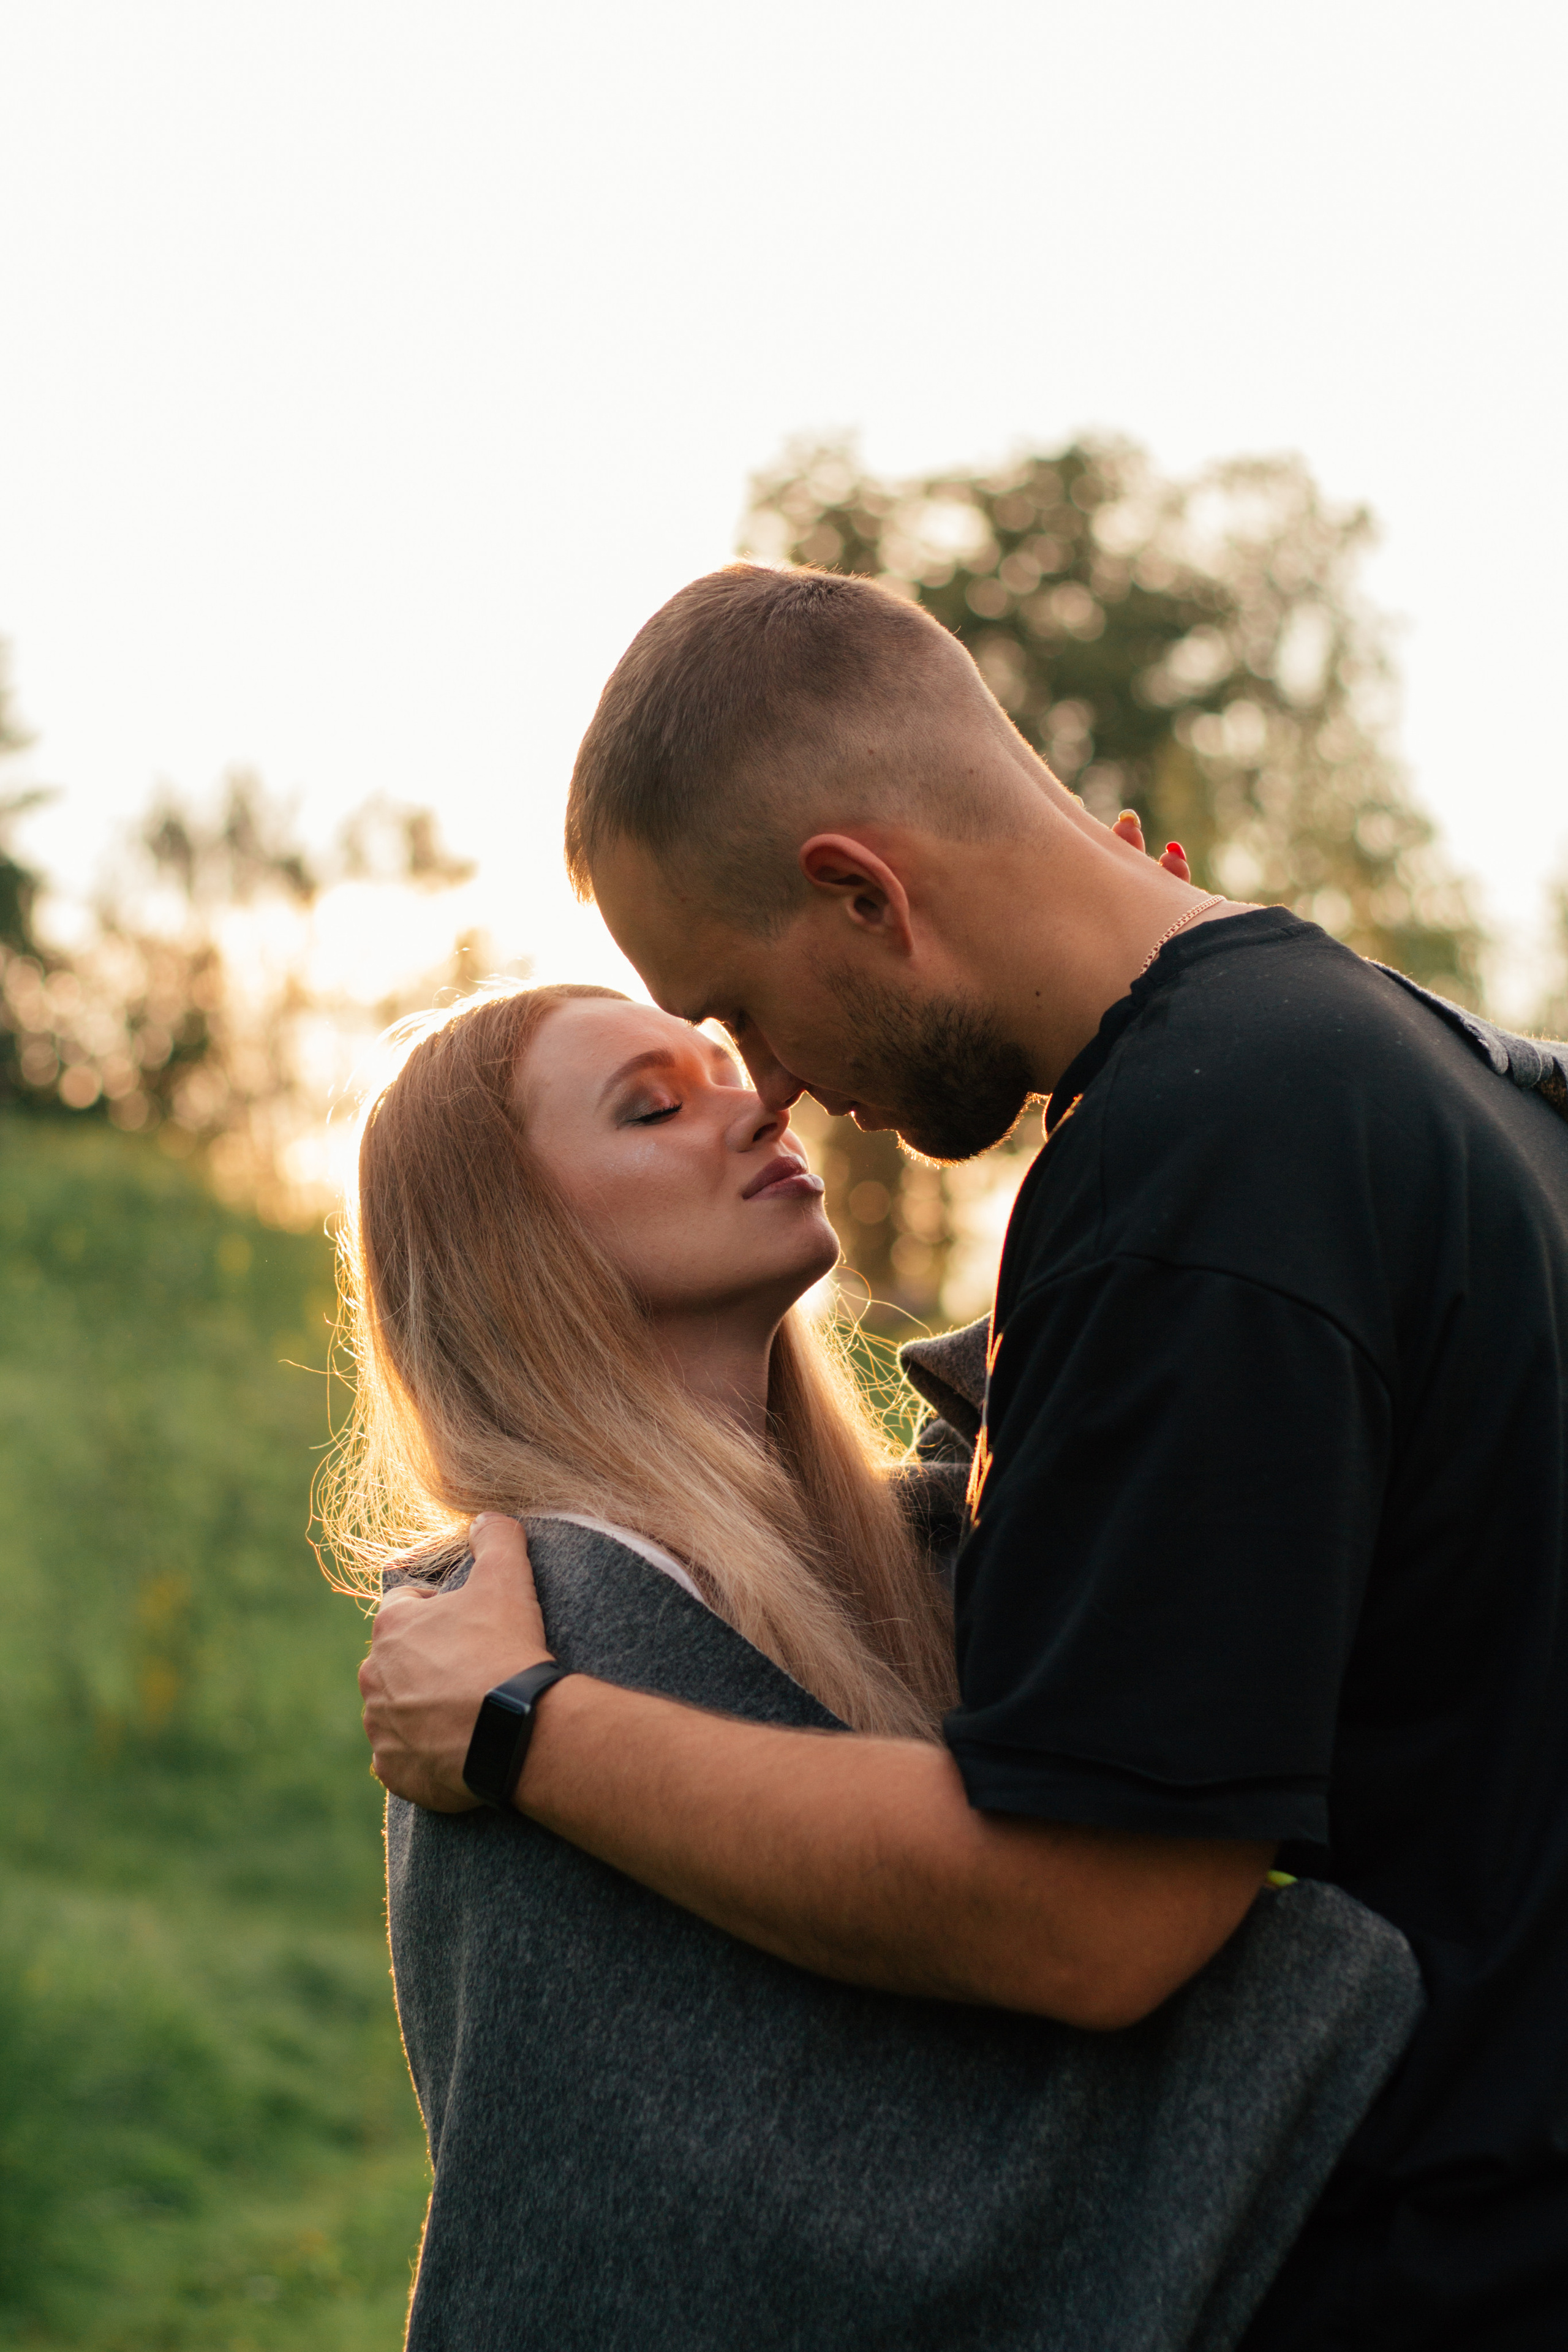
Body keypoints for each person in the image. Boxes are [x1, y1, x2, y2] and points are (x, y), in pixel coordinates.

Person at [362, 564, 1568, 2351]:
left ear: (858, 890)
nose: (765, 1083)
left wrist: (528, 1727)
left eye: (737, 1008)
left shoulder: (1198, 1172)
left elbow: (1093, 1917)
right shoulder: (1434, 1064)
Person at [345, 979, 1421, 2351]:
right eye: (652, 1105)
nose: (755, 1104)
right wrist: (1320, 2016)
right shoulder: (525, 1618)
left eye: (722, 1067)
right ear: (512, 1250)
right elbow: (736, 2219)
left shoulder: (871, 1568)